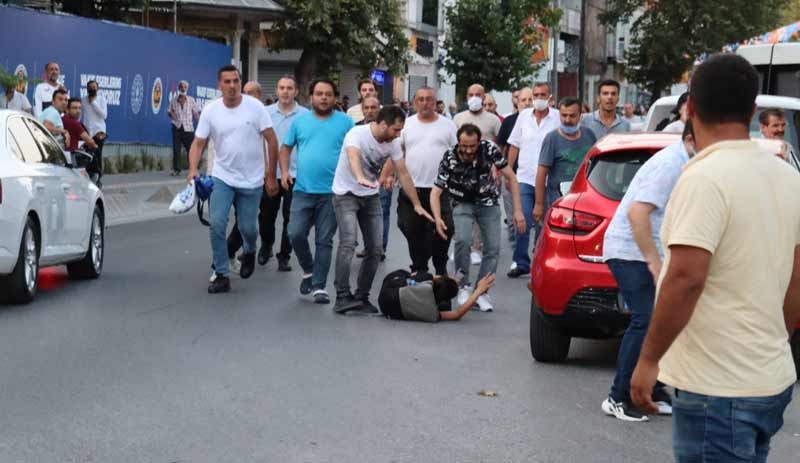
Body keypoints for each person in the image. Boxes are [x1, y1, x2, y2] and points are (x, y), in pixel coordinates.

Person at [630, 53, 800, 462]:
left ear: (690, 108)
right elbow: (796, 280)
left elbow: (686, 277)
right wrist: (775, 340)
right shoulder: (788, 177)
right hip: (768, 379)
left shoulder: (704, 177)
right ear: (753, 110)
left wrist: (648, 359)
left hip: (717, 389)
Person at [600, 122, 695, 422]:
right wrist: (653, 261)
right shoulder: (671, 164)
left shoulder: (688, 161)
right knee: (645, 320)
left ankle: (651, 390)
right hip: (630, 251)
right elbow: (636, 212)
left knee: (663, 320)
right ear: (691, 138)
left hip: (648, 251)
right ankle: (618, 397)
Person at [331, 106, 434, 314]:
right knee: (349, 242)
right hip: (346, 195)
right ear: (383, 124)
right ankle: (342, 297)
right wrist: (359, 176)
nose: (398, 135)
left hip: (370, 198)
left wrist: (416, 204)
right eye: (396, 130)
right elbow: (353, 155)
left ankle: (361, 296)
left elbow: (403, 173)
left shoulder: (393, 143)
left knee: (376, 249)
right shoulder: (357, 134)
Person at [186, 65, 279, 294]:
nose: (232, 86)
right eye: (227, 82)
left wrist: (271, 175)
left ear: (240, 82)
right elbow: (199, 143)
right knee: (217, 223)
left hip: (252, 179)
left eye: (236, 81)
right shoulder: (211, 110)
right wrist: (192, 169)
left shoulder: (255, 107)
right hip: (223, 176)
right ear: (219, 85)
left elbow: (272, 140)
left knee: (248, 227)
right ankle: (221, 274)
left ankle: (249, 250)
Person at [431, 124, 526, 312]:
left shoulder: (489, 149)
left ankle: (482, 291)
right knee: (463, 241)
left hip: (488, 202)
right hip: (461, 202)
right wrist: (437, 218)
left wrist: (517, 211)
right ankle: (463, 285)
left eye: (472, 146)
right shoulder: (450, 157)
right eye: (463, 146)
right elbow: (436, 191)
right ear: (458, 142)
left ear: (479, 142)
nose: (467, 150)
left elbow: (512, 178)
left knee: (492, 248)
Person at [281, 79, 354, 304]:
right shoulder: (300, 122)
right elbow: (285, 148)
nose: (324, 97)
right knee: (295, 233)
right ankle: (308, 270)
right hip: (302, 189)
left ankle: (319, 286)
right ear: (310, 97)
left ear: (335, 98)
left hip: (333, 192)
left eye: (328, 94)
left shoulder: (346, 122)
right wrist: (284, 172)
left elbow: (355, 151)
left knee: (324, 240)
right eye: (319, 94)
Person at [398, 86, 458, 277]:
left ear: (435, 102)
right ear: (415, 102)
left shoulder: (448, 125)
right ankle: (419, 267)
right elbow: (397, 153)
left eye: (429, 99)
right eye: (421, 99)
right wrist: (387, 174)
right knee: (409, 227)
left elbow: (456, 153)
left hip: (439, 189)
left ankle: (440, 265)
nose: (425, 103)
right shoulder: (406, 124)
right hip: (411, 188)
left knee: (446, 227)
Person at [505, 83, 560, 278]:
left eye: (542, 94)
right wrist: (509, 171)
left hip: (549, 180)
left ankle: (540, 259)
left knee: (544, 223)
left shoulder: (557, 117)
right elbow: (514, 145)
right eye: (535, 94)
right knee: (523, 219)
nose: (538, 98)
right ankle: (520, 261)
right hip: (526, 177)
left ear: (550, 96)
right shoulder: (523, 117)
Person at [260, 76, 310, 271]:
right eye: (281, 88)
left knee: (292, 217)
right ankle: (266, 245)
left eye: (289, 88)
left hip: (296, 174)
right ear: (277, 90)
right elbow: (259, 142)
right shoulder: (265, 113)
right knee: (266, 216)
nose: (285, 92)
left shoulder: (305, 115)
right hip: (271, 173)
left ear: (296, 91)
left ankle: (284, 255)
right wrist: (265, 169)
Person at [453, 83, 502, 265]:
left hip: (485, 175)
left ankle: (476, 247)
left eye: (478, 94)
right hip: (461, 173)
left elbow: (501, 145)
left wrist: (498, 168)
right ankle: (460, 245)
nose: (474, 97)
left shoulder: (493, 120)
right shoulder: (458, 118)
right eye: (471, 94)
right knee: (461, 210)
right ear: (466, 97)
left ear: (484, 97)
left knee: (480, 209)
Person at [533, 97, 598, 224]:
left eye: (572, 116)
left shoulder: (589, 135)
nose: (567, 120)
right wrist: (539, 204)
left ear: (580, 116)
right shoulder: (552, 139)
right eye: (564, 115)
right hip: (558, 202)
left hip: (584, 200)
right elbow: (541, 173)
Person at [353, 96, 390, 259]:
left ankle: (379, 247)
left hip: (380, 179)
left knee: (381, 212)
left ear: (379, 110)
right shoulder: (354, 129)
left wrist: (388, 174)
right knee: (362, 213)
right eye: (366, 108)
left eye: (373, 108)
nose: (369, 111)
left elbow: (394, 154)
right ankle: (369, 246)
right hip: (359, 179)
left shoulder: (387, 130)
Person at [379, 270, 495, 322]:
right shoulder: (432, 314)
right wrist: (478, 292)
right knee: (446, 308)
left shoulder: (427, 281)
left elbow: (435, 279)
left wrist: (447, 280)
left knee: (417, 276)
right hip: (390, 311)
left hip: (389, 288)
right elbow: (457, 314)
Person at [496, 87, 534, 245]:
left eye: (529, 100)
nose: (526, 103)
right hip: (511, 172)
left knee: (528, 212)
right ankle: (514, 235)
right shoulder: (509, 121)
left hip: (533, 175)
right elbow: (502, 148)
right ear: (517, 103)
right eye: (523, 100)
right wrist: (501, 171)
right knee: (512, 209)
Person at [168, 80, 201, 176]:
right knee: (176, 149)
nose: (183, 89)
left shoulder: (191, 100)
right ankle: (176, 169)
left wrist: (201, 123)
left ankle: (193, 168)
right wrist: (172, 115)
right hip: (177, 127)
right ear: (178, 88)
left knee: (191, 149)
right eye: (181, 87)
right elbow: (169, 111)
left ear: (187, 89)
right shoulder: (174, 100)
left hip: (188, 128)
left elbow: (196, 113)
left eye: (185, 87)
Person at [81, 80, 108, 181]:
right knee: (86, 155)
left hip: (98, 132)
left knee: (97, 154)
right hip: (87, 131)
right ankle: (88, 175)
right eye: (90, 87)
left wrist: (93, 103)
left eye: (94, 87)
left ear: (97, 89)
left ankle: (98, 177)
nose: (92, 89)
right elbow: (81, 115)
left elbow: (104, 115)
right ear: (87, 89)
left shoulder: (101, 99)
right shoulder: (83, 100)